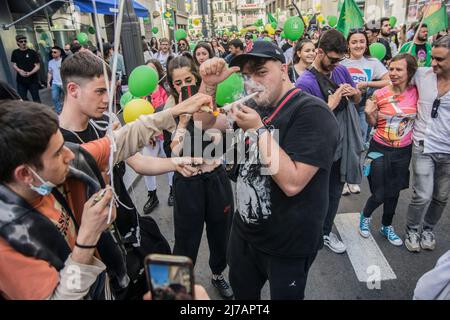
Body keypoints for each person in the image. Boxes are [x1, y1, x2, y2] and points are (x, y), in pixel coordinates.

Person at [0, 92, 209, 299]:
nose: (70, 155)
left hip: (117, 273)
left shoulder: (68, 163)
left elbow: (119, 142)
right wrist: (88, 236)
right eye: (57, 153)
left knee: (185, 292)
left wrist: (174, 111)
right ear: (26, 174)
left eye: (64, 145)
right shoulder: (7, 243)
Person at [227, 41, 339, 299]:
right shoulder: (254, 107)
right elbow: (223, 148)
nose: (251, 82)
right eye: (246, 75)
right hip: (244, 234)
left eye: (261, 72)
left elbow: (292, 183)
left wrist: (257, 131)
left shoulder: (313, 112)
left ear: (284, 69)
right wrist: (208, 87)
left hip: (288, 244)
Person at [163, 55, 235, 299]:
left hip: (215, 177)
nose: (185, 86)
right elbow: (174, 150)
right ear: (173, 86)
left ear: (197, 77)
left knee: (221, 232)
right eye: (179, 83)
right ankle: (174, 289)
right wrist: (183, 122)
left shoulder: (209, 101)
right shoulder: (171, 108)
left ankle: (217, 274)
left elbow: (222, 133)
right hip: (188, 182)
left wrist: (220, 120)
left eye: (189, 80)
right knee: (185, 239)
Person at [295, 29, 363, 255]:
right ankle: (311, 232)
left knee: (334, 193)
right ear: (319, 52)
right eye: (332, 59)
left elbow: (358, 100)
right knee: (316, 195)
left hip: (341, 144)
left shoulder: (341, 69)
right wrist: (330, 104)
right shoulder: (305, 82)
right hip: (318, 150)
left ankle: (325, 231)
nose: (335, 64)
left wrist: (353, 93)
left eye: (339, 59)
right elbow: (306, 124)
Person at [360, 54, 418, 246]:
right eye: (391, 69)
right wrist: (369, 114)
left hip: (403, 152)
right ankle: (365, 216)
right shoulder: (380, 94)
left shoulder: (417, 93)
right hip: (378, 149)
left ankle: (386, 226)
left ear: (410, 72)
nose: (392, 73)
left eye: (398, 69)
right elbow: (373, 123)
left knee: (394, 192)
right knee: (379, 192)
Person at [404, 35, 450, 252]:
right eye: (432, 57)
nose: (433, 63)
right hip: (422, 144)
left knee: (441, 196)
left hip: (448, 151)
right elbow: (396, 81)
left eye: (440, 59)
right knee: (422, 195)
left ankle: (428, 228)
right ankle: (412, 230)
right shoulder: (422, 75)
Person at [340, 28, 391, 195]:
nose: (358, 45)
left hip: (362, 109)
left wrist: (367, 84)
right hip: (343, 109)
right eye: (354, 42)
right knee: (342, 143)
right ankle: (342, 180)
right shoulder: (341, 63)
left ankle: (353, 179)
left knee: (359, 144)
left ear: (366, 44)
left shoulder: (373, 62)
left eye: (362, 41)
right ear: (348, 44)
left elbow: (388, 81)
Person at [142, 58, 174, 213]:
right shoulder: (141, 92)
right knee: (147, 166)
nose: (150, 73)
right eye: (147, 70)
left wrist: (160, 131)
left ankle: (172, 191)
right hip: (149, 138)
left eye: (153, 70)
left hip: (164, 135)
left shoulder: (165, 91)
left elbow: (169, 115)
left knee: (169, 166)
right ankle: (152, 195)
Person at [10, 35, 41, 102]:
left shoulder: (32, 52)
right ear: (17, 43)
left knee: (36, 98)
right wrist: (19, 71)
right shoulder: (15, 52)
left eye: (25, 41)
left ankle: (39, 112)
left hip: (33, 80)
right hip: (21, 81)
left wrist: (30, 73)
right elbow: (14, 65)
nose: (23, 43)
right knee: (22, 98)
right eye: (21, 41)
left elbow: (37, 66)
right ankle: (29, 110)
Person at [47, 46, 64, 114]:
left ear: (59, 53)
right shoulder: (50, 62)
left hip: (63, 83)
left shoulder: (63, 61)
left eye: (55, 52)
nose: (53, 53)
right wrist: (48, 82)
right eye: (52, 52)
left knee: (67, 98)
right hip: (55, 83)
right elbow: (50, 72)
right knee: (54, 98)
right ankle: (59, 112)